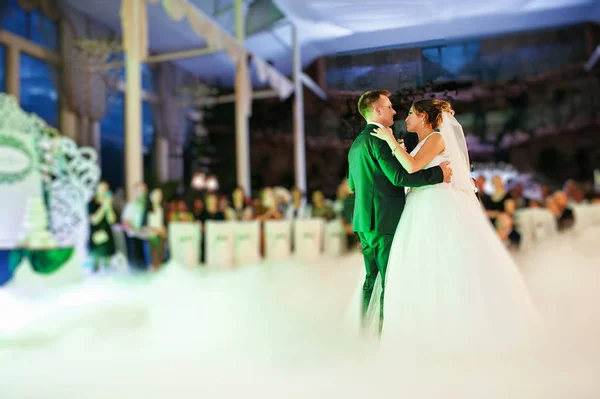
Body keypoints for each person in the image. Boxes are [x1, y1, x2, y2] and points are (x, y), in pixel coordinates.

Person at [368, 99, 539, 356]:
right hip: (419, 204)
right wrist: (400, 150)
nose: (406, 118)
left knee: (442, 263)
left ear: (424, 117)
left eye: (412, 114)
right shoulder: (424, 142)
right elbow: (410, 171)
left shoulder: (436, 138)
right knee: (422, 265)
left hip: (435, 205)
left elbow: (413, 167)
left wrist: (391, 141)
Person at [347, 90, 453, 331]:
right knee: (390, 279)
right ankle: (384, 335)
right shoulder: (379, 139)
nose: (395, 111)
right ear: (378, 110)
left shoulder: (357, 143)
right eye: (390, 106)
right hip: (384, 220)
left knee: (371, 279)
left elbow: (353, 184)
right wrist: (438, 174)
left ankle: (366, 333)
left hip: (363, 222)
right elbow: (398, 177)